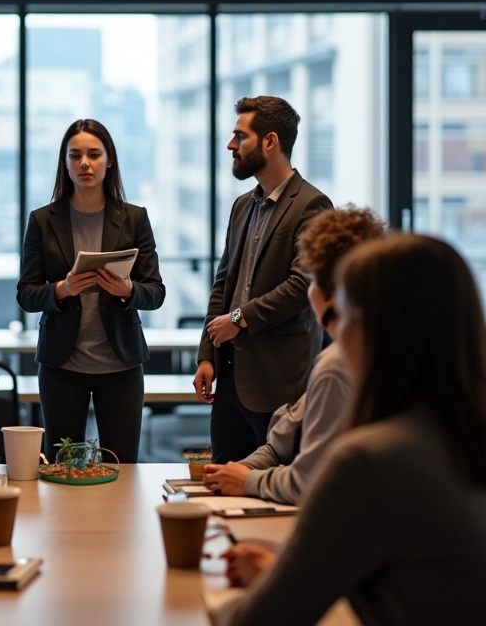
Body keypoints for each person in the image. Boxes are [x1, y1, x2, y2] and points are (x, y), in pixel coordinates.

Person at [216, 234, 486, 626]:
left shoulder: (371, 460)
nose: (335, 338)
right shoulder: (461, 436)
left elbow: (258, 620)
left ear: (377, 328)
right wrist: (289, 572)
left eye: (340, 316)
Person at [203, 206, 385, 505]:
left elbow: (306, 482)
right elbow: (282, 442)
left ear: (328, 290)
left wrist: (248, 480)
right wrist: (241, 470)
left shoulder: (338, 365)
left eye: (310, 278)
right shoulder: (354, 350)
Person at [194, 95, 332, 464]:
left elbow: (301, 285)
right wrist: (207, 354)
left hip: (279, 385)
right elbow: (223, 284)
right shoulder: (243, 205)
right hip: (229, 382)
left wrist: (239, 320)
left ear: (270, 141)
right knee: (225, 484)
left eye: (240, 136)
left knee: (275, 495)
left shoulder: (312, 205)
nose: (231, 145)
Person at [17, 119, 165, 463]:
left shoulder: (134, 218)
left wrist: (128, 290)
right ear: (65, 163)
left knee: (122, 466)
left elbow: (155, 292)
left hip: (122, 365)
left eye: (94, 154)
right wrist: (61, 289)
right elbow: (26, 293)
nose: (85, 163)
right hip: (60, 367)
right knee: (63, 467)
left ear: (109, 160)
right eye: (76, 155)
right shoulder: (42, 220)